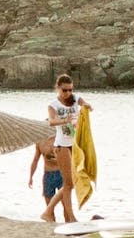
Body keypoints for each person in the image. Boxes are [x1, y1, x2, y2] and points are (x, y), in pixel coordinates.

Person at [44, 74, 90, 224]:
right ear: (58, 88)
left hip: (75, 144)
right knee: (69, 183)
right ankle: (70, 218)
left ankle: (48, 211)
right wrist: (65, 120)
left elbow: (87, 106)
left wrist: (87, 107)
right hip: (61, 145)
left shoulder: (76, 98)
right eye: (64, 90)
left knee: (75, 181)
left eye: (70, 90)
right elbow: (51, 122)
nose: (68, 93)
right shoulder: (53, 105)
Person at [26, 141, 63, 222]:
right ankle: (52, 224)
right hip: (48, 175)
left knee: (65, 203)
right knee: (49, 206)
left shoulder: (58, 138)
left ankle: (68, 223)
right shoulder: (39, 143)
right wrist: (31, 177)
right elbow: (35, 160)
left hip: (61, 173)